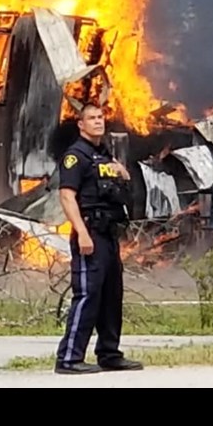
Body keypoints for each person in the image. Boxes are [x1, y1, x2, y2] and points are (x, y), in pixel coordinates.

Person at [53, 104, 143, 375]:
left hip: (108, 234)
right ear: (81, 125)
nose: (97, 122)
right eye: (91, 118)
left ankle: (109, 353)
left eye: (100, 117)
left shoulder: (103, 156)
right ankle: (69, 358)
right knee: (87, 295)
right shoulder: (75, 156)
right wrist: (81, 232)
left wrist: (122, 174)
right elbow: (67, 197)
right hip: (89, 233)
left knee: (111, 295)